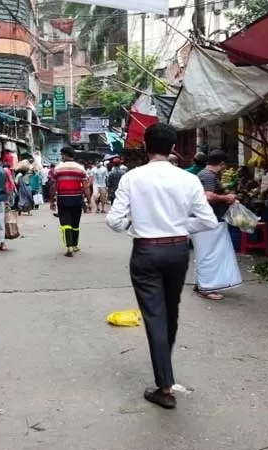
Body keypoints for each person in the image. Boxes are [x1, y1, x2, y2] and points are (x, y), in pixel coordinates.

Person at [107, 123, 217, 409]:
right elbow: (208, 221)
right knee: (170, 311)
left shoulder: (132, 178)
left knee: (155, 315)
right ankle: (164, 372)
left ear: (146, 146)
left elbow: (114, 221)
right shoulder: (188, 180)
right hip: (178, 251)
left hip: (146, 252)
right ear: (172, 149)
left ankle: (164, 385)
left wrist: (138, 223)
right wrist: (179, 226)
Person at [195, 149, 238, 300]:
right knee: (210, 254)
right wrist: (227, 198)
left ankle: (202, 284)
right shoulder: (207, 175)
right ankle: (207, 288)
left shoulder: (206, 174)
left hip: (207, 220)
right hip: (208, 221)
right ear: (221, 164)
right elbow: (208, 196)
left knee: (206, 253)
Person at [52, 147, 88, 257]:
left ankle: (69, 247)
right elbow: (86, 186)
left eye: (62, 155)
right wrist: (89, 201)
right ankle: (75, 245)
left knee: (65, 223)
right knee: (75, 223)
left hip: (63, 199)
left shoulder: (58, 168)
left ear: (65, 155)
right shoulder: (80, 168)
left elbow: (54, 185)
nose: (61, 157)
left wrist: (52, 200)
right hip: (77, 199)